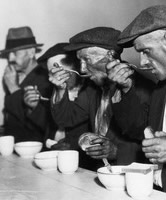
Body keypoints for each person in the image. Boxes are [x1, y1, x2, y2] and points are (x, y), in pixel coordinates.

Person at [49, 27, 149, 171]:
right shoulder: (92, 87)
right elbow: (66, 119)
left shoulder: (141, 87)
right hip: (101, 173)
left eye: (87, 59)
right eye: (80, 61)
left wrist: (118, 152)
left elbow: (153, 141)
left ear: (110, 55)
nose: (82, 69)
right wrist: (60, 89)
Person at [106, 5, 166, 191]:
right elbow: (137, 130)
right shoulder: (160, 89)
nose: (143, 62)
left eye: (146, 51)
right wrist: (126, 88)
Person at [37, 43, 92, 169]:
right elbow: (46, 128)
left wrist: (73, 145)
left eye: (57, 71)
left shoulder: (91, 91)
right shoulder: (53, 92)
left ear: (77, 67)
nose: (53, 78)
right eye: (51, 73)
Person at [2, 26, 53, 143]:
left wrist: (14, 89)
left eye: (15, 53)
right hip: (14, 148)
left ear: (31, 52)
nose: (10, 58)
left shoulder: (47, 78)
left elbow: (45, 123)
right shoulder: (13, 76)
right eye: (9, 54)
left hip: (36, 149)